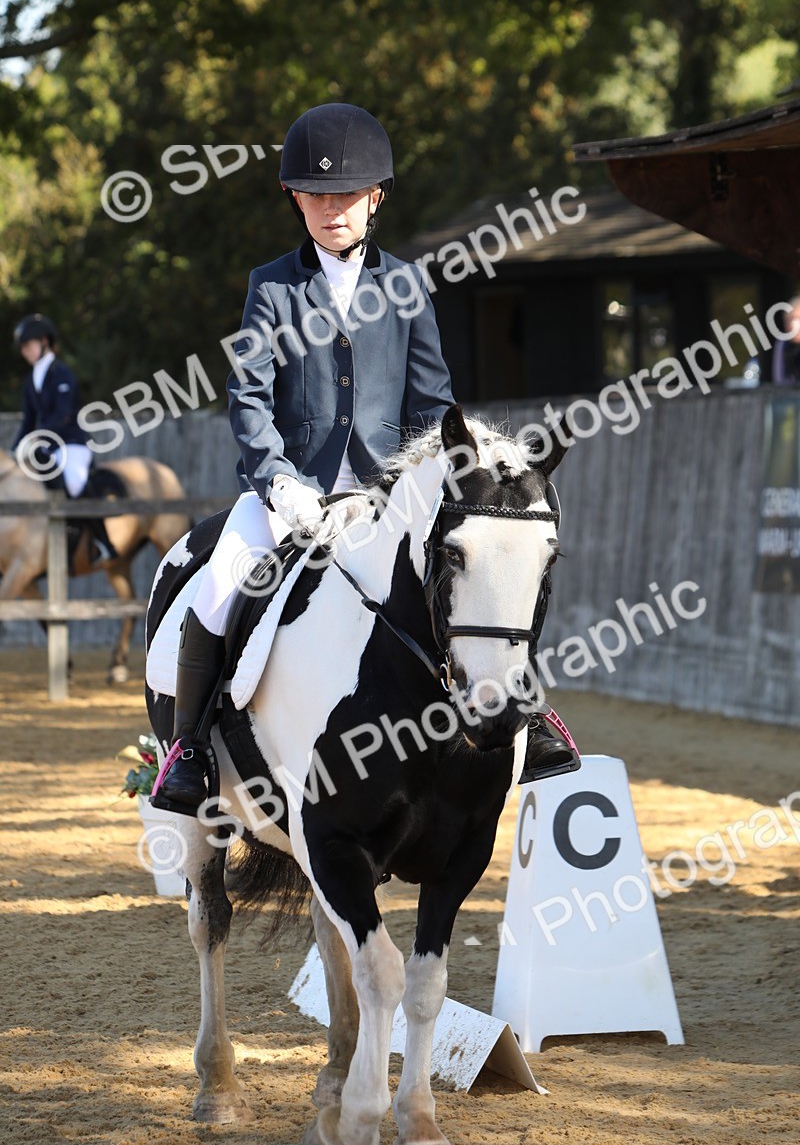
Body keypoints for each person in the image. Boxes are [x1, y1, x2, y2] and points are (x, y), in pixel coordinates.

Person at [152, 102, 575, 816]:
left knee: (490, 563)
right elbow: (248, 397)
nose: (330, 208)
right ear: (296, 200)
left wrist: (407, 485)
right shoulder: (273, 286)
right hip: (290, 497)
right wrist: (281, 484)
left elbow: (430, 403)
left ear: (374, 198)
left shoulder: (406, 287)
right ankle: (189, 748)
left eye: (344, 195)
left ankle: (527, 713)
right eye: (315, 196)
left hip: (389, 498)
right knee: (221, 585)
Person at [12, 313, 117, 565]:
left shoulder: (63, 374)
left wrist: (39, 440)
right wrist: (16, 450)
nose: (25, 351)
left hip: (71, 445)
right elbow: (28, 421)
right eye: (23, 348)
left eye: (29, 345)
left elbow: (62, 415)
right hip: (45, 446)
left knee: (72, 484)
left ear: (44, 341)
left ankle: (103, 542)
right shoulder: (30, 381)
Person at [772, 296, 800, 385]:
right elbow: (779, 380)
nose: (794, 325)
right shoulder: (783, 344)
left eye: (798, 319)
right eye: (791, 319)